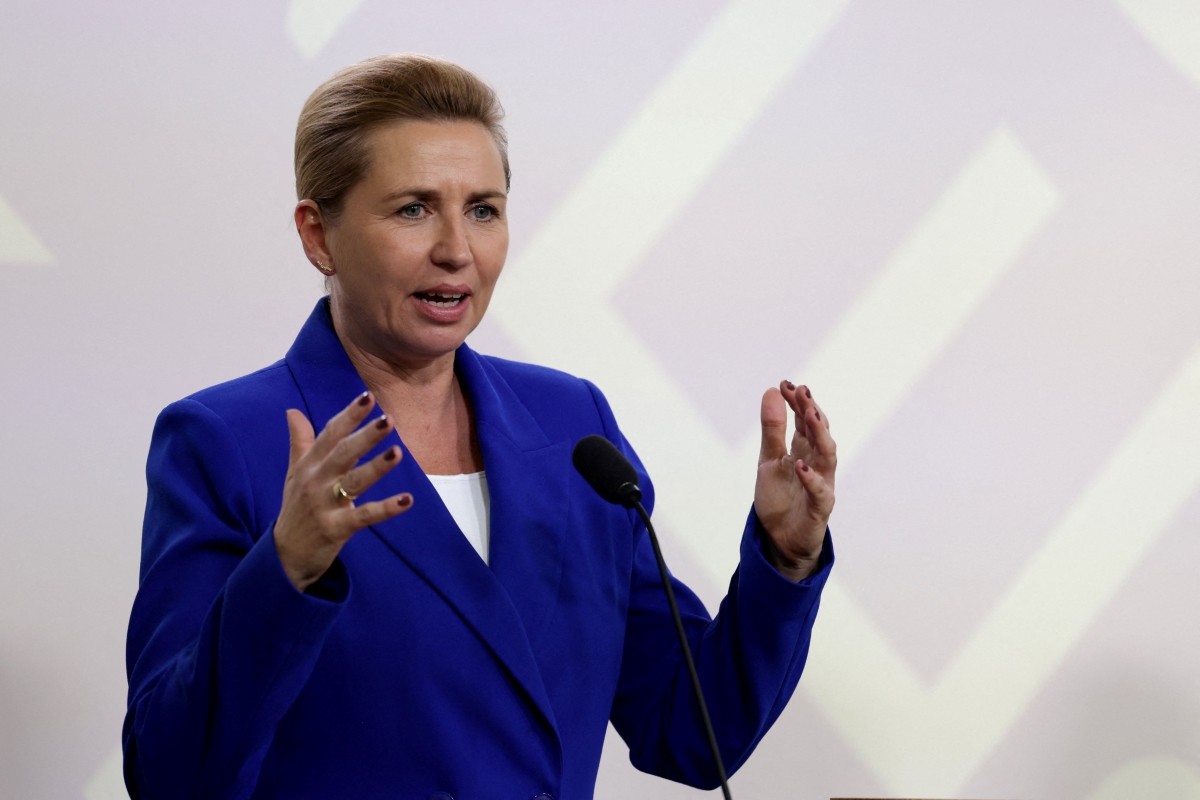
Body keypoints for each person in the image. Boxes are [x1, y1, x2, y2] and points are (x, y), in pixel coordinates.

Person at [124, 54, 837, 800]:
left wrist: (785, 560)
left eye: (483, 210)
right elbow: (169, 777)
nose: (457, 250)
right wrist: (285, 571)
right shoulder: (226, 443)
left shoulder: (572, 428)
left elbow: (690, 730)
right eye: (413, 209)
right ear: (318, 235)